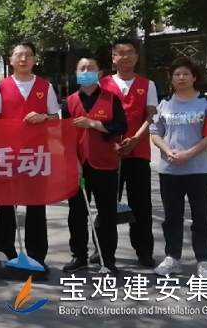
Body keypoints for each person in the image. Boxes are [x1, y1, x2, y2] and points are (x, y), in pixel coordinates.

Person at [0, 40, 60, 275]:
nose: (23, 59)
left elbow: (56, 118)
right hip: (7, 155)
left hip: (36, 155)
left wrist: (43, 117)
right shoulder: (1, 87)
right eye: (18, 55)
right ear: (10, 60)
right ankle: (6, 255)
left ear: (35, 59)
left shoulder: (45, 86)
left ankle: (37, 257)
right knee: (6, 207)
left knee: (36, 207)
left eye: (28, 55)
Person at [150, 57, 207, 281]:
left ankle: (203, 262)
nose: (181, 78)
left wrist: (189, 153)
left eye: (186, 74)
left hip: (199, 170)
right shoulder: (164, 104)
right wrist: (168, 151)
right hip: (169, 170)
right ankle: (173, 258)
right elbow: (155, 133)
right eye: (177, 74)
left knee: (202, 217)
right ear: (171, 78)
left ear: (194, 77)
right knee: (172, 217)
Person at [61, 56, 128, 277]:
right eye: (82, 68)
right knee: (77, 213)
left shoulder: (111, 99)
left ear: (99, 73)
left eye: (90, 68)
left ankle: (107, 258)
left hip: (105, 165)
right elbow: (64, 136)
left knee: (107, 214)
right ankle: (79, 256)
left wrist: (94, 124)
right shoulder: (70, 102)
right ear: (76, 73)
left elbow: (120, 126)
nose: (86, 71)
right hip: (78, 165)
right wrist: (73, 162)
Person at [96, 38, 158, 268]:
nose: (126, 56)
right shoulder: (102, 85)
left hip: (138, 151)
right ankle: (102, 250)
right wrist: (112, 141)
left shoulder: (147, 84)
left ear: (137, 57)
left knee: (141, 204)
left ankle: (144, 250)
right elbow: (97, 117)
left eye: (130, 52)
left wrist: (134, 140)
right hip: (107, 152)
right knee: (106, 204)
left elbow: (150, 116)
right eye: (121, 53)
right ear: (113, 58)